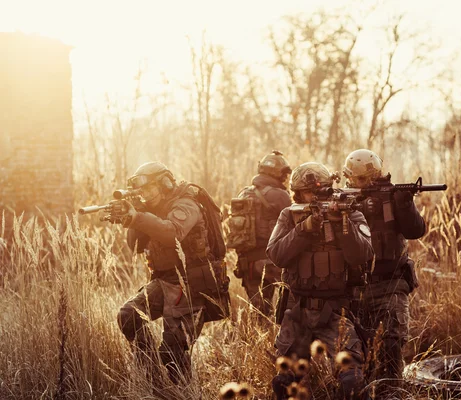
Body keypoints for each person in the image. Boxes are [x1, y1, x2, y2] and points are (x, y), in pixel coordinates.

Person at [114, 161, 230, 386]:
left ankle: (185, 393)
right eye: (142, 191)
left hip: (191, 285)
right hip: (164, 282)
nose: (145, 195)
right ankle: (152, 379)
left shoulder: (186, 204)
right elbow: (135, 245)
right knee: (127, 317)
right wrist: (134, 215)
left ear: (165, 183)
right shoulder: (152, 209)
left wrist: (138, 216)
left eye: (149, 189)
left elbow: (172, 233)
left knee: (172, 353)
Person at [266, 162, 374, 400]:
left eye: (322, 190)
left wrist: (341, 224)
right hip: (299, 312)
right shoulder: (290, 215)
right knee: (284, 383)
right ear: (298, 193)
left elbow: (362, 255)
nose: (315, 196)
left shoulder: (351, 213)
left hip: (337, 312)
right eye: (309, 192)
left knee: (352, 382)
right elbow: (276, 255)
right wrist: (305, 228)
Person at [342, 149, 426, 387]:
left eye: (359, 178)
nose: (354, 183)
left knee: (390, 348)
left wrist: (405, 203)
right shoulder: (344, 200)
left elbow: (416, 230)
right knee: (360, 353)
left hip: (391, 286)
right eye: (354, 179)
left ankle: (391, 393)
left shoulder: (393, 197)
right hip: (355, 288)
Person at [228, 150, 292, 316]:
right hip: (271, 261)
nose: (286, 178)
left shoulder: (244, 193)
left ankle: (258, 334)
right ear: (277, 173)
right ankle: (273, 337)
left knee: (258, 311)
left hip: (247, 262)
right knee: (280, 307)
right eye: (284, 174)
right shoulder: (280, 195)